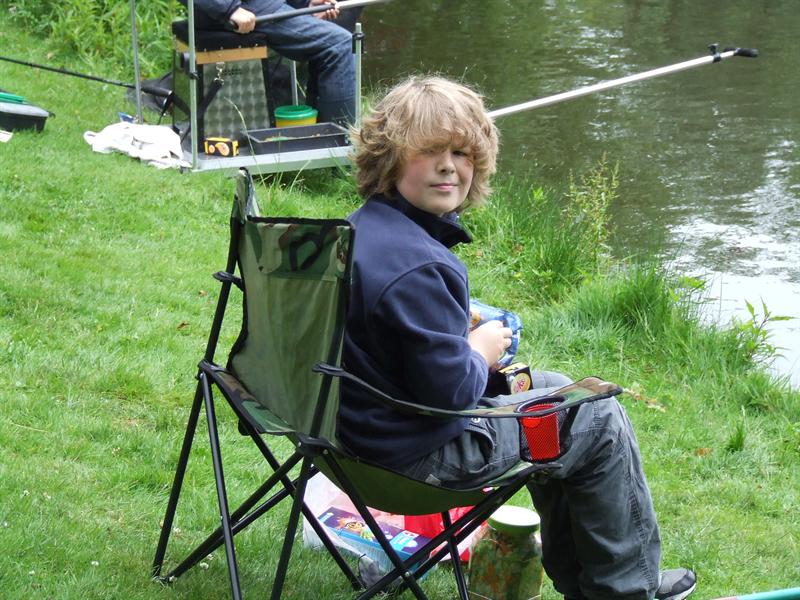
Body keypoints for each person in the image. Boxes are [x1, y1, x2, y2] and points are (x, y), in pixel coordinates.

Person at [338, 75, 697, 600]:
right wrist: (478, 350)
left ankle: (588, 582)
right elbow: (451, 395)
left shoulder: (359, 230)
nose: (448, 166)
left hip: (349, 439)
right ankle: (624, 590)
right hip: (414, 458)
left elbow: (389, 340)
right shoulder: (420, 264)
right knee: (596, 415)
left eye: (462, 153)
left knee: (558, 390)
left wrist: (449, 333)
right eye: (430, 150)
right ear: (390, 158)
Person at [181, 0, 356, 125]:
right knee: (340, 45)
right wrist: (229, 8)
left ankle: (319, 135)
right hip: (245, 8)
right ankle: (341, 144)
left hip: (260, 5)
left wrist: (304, 3)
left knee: (334, 44)